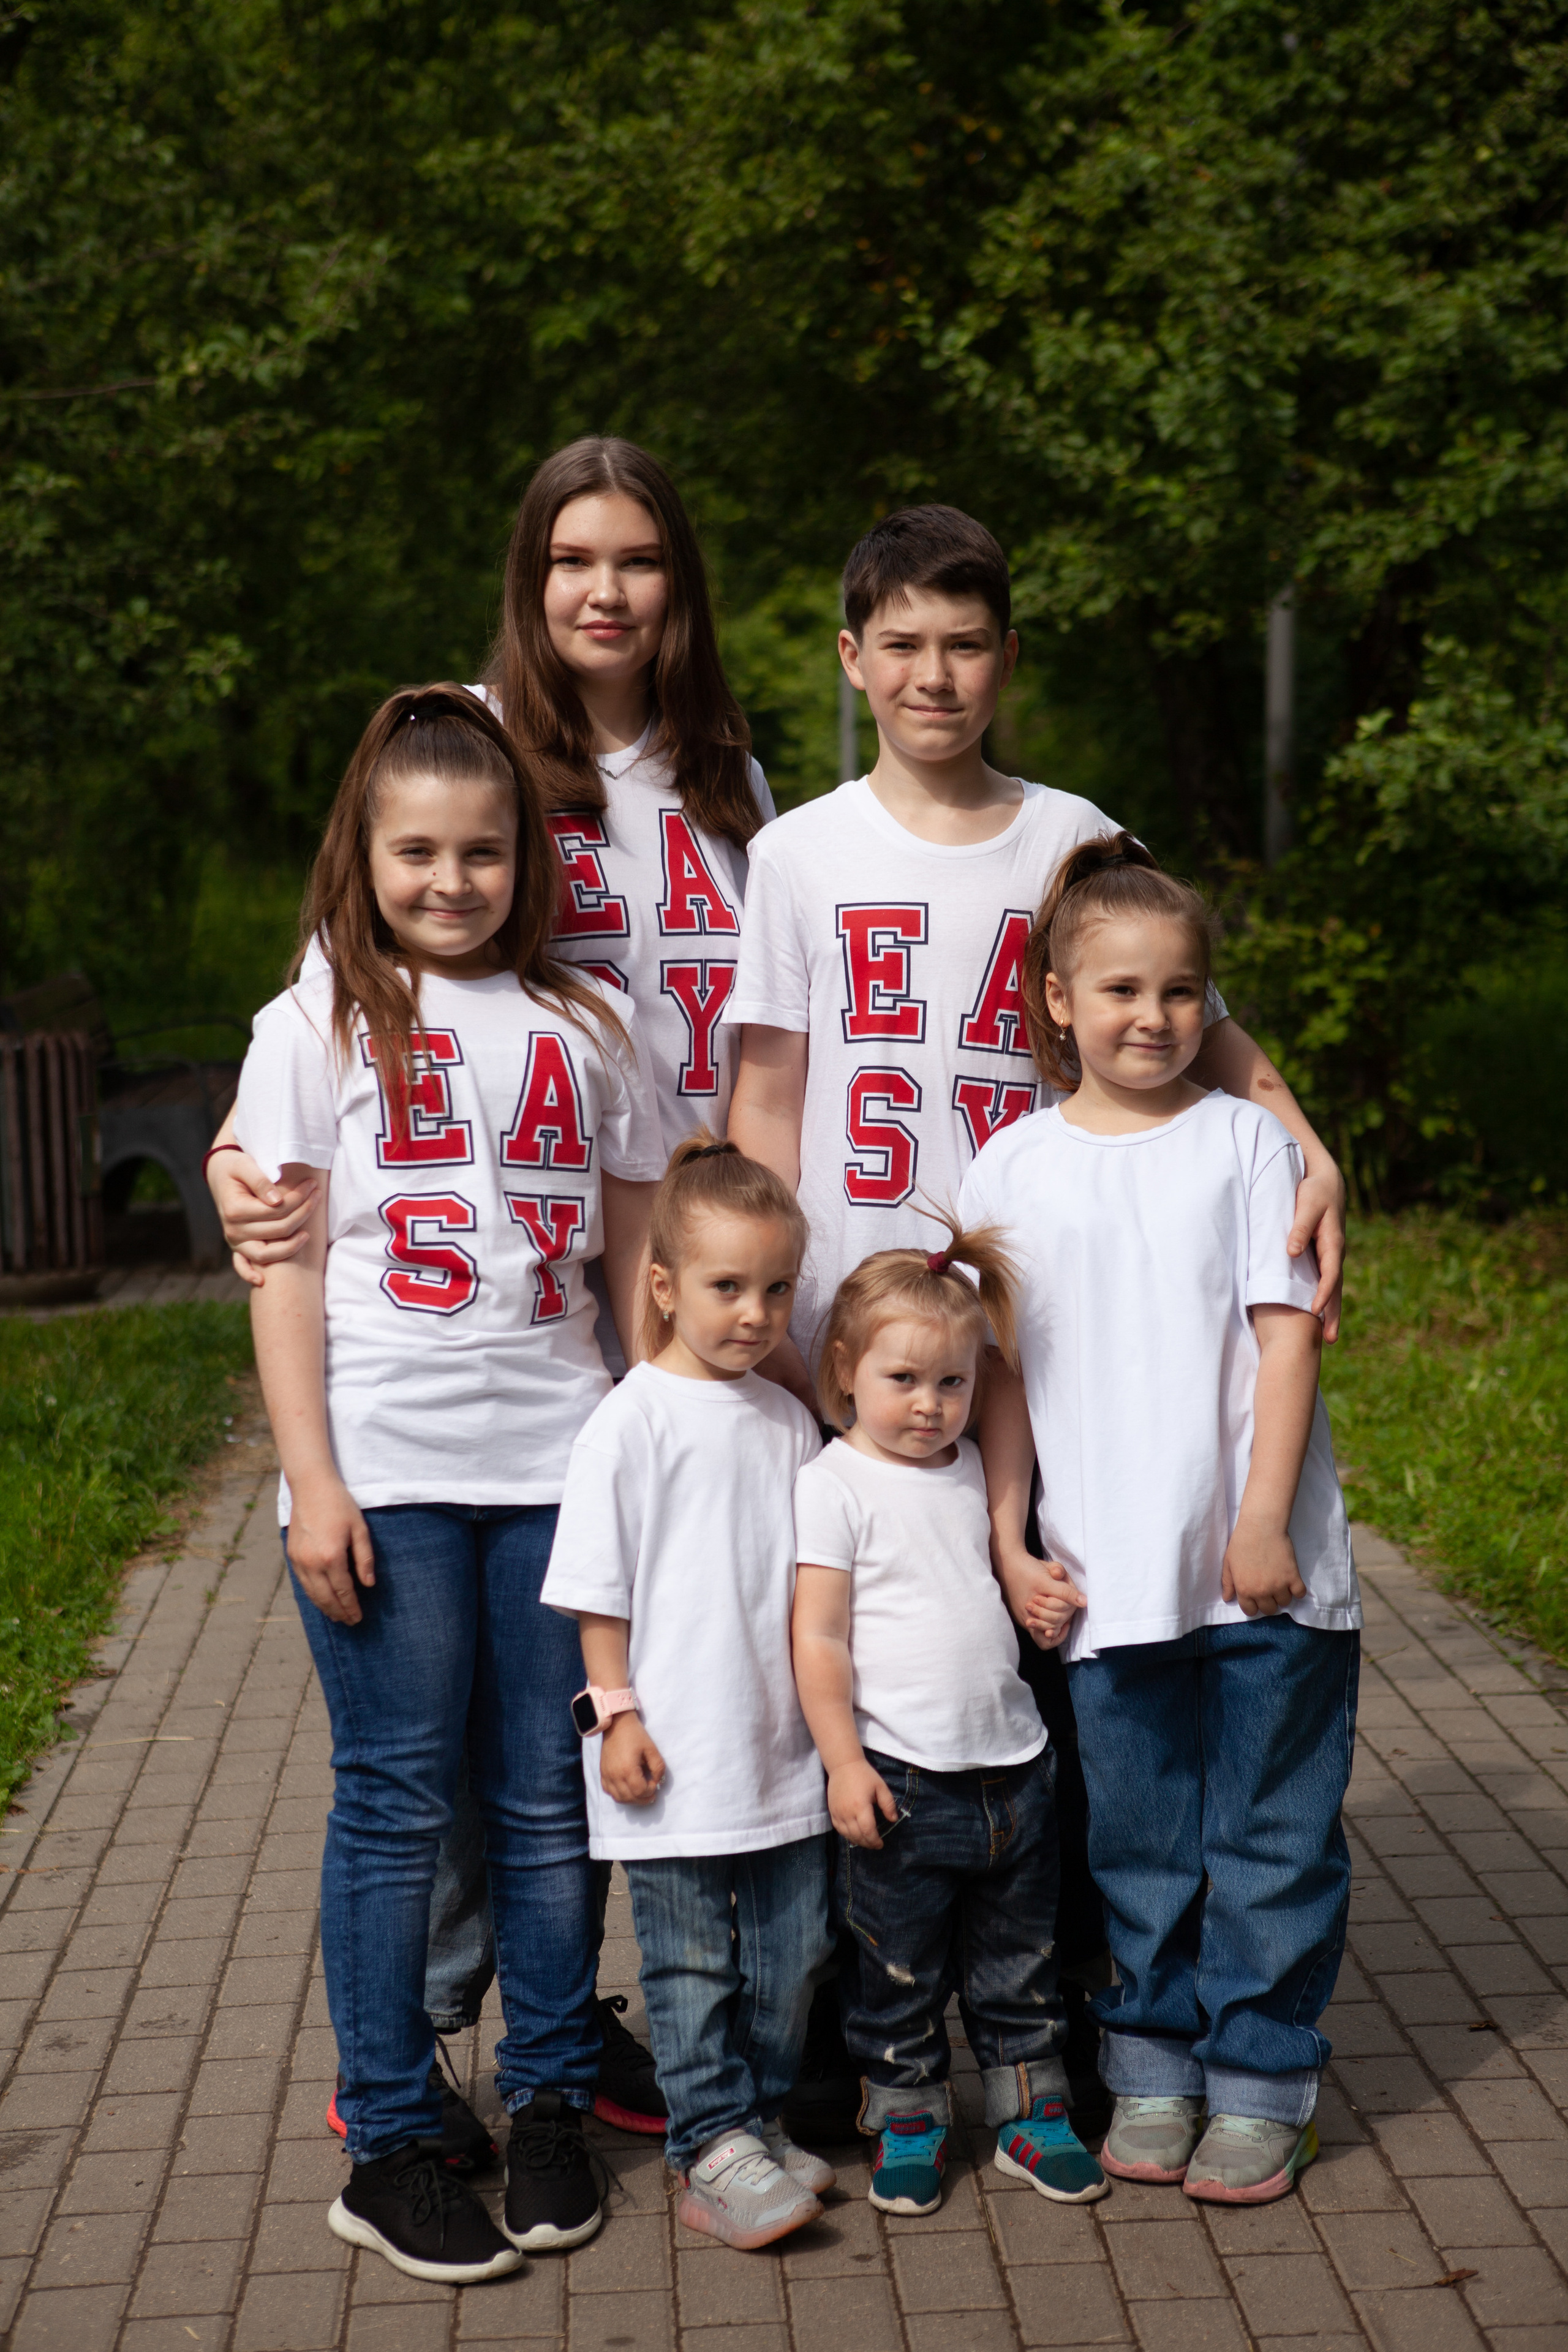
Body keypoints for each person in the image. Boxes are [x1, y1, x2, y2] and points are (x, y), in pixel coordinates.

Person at [724, 501, 1351, 2128]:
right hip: (876, 1332)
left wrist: (1304, 1137)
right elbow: (772, 1093)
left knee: (1065, 1671)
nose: (937, 676)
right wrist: (775, 1326)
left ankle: (1074, 2020)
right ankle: (864, 2034)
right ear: (855, 661)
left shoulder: (1071, 831)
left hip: (1063, 1321)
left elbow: (1190, 1018)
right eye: (905, 646)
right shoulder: (800, 854)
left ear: (1005, 656)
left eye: (968, 643)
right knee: (892, 1662)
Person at [206, 436, 771, 2145]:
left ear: (684, 585)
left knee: (573, 1742)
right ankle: (409, 2054)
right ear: (529, 580)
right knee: (426, 1774)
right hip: (436, 1340)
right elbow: (337, 987)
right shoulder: (460, 744)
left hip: (647, 1285)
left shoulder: (739, 786)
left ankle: (581, 2032)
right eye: (572, 560)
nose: (607, 592)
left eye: (643, 560)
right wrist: (254, 1170)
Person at [235, 685, 665, 2282]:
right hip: (391, 1480)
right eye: (417, 850)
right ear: (366, 850)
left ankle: (549, 2101)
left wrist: (652, 1476)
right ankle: (395, 2131)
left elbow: (632, 1292)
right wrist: (311, 1481)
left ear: (525, 862)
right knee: (400, 1806)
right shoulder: (317, 1025)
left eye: (482, 852)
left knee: (550, 1808)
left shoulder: (601, 1027)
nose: (451, 880)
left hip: (560, 1474)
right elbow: (281, 1282)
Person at [963, 834, 1360, 2207]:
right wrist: (1008, 1538)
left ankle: (1261, 2081)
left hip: (1262, 1574)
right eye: (1120, 990)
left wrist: (1262, 1522)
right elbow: (1000, 1378)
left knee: (1267, 1835)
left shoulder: (1249, 1142)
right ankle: (1149, 2067)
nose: (1152, 1017)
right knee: (1133, 1845)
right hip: (1104, 1580)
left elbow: (1285, 1338)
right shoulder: (1006, 1169)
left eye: (1181, 991)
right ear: (1056, 1002)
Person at [540, 1136, 833, 2249]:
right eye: (726, 1288)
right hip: (668, 1758)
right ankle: (708, 2144)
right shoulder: (629, 1422)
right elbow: (594, 1591)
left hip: (779, 1751)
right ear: (661, 1287)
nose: (754, 1314)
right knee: (691, 1965)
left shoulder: (788, 1419)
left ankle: (753, 2122)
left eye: (775, 1290)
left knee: (794, 1956)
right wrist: (613, 1715)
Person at [791, 1223, 1109, 2219]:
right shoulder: (831, 1483)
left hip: (1015, 1767)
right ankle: (909, 2120)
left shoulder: (973, 1468)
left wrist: (1031, 1590)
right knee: (898, 1975)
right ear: (845, 1372)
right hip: (904, 1778)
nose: (930, 1407)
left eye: (953, 1385)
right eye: (904, 1381)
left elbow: (987, 1577)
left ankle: (1028, 2113)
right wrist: (843, 1763)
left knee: (1022, 1969)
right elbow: (820, 1639)